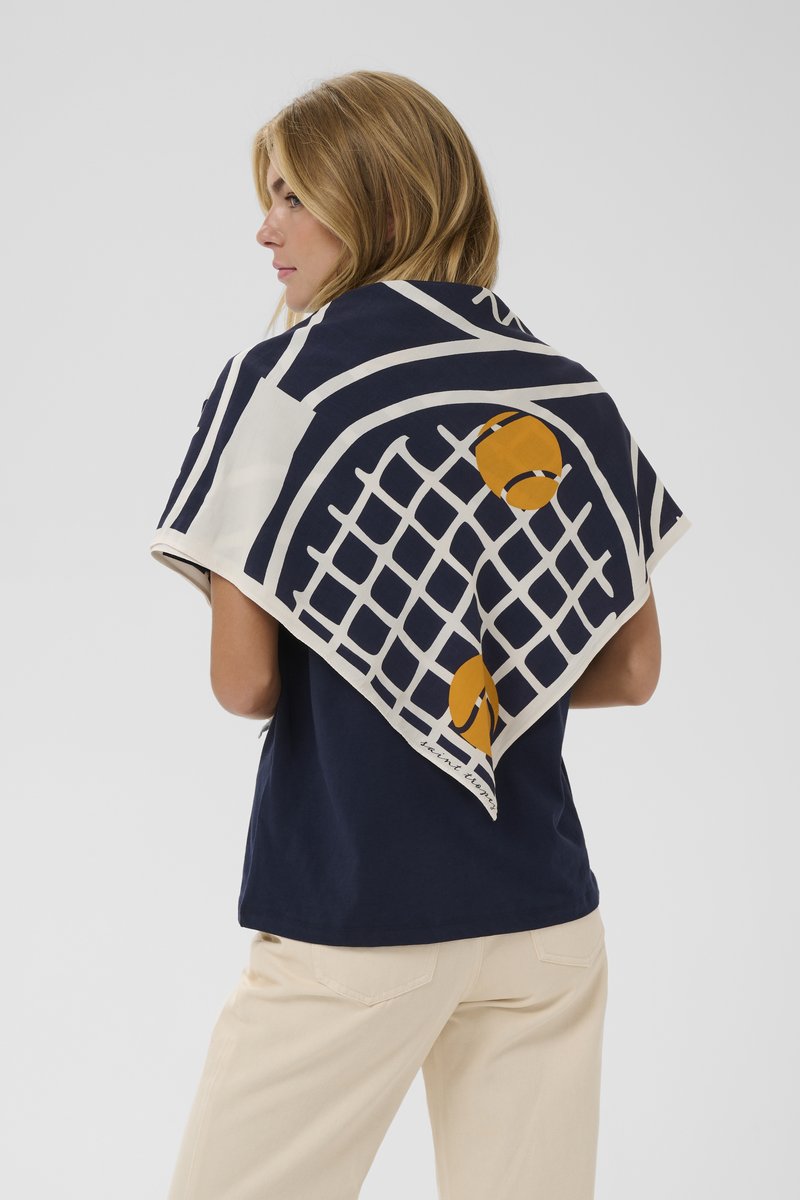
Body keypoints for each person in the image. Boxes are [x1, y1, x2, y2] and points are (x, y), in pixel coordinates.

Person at [149, 70, 690, 1200]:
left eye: (294, 196)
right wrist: (473, 680)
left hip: (358, 909)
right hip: (543, 913)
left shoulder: (280, 387)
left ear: (380, 199)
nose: (266, 230)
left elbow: (244, 685)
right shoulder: (565, 389)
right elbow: (634, 670)